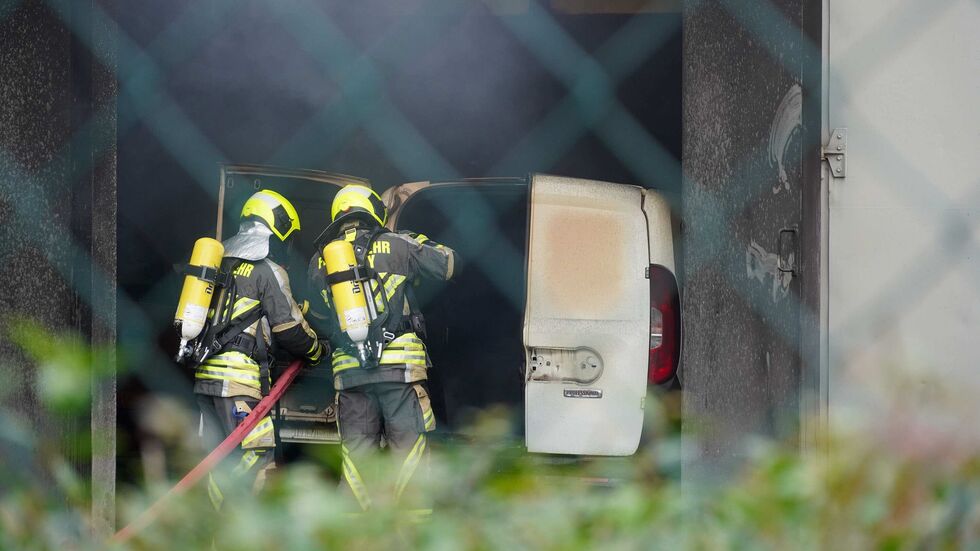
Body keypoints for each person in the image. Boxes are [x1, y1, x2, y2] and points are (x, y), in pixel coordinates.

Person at [309, 184, 456, 512]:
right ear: (374, 210)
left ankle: (355, 538)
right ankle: (411, 534)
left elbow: (319, 317)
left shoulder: (320, 261)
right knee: (409, 456)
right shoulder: (398, 243)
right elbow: (447, 264)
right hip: (399, 371)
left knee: (356, 464)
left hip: (350, 374)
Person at [193, 189, 324, 511]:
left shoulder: (216, 264)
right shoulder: (268, 270)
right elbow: (289, 329)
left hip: (206, 376)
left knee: (218, 456)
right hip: (239, 381)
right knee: (255, 455)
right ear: (276, 228)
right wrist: (317, 351)